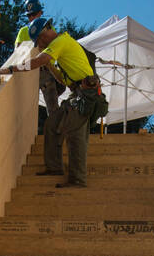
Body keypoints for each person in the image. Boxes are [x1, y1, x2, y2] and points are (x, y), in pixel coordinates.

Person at [18, 19, 101, 187]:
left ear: (46, 32)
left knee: (75, 136)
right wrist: (50, 65)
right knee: (52, 124)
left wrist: (13, 69)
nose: (40, 45)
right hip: (77, 94)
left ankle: (77, 180)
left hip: (86, 94)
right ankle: (54, 167)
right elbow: (63, 81)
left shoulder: (60, 41)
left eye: (40, 41)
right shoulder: (61, 46)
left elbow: (38, 61)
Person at [15, 0, 64, 119]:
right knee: (27, 107)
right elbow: (18, 52)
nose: (32, 18)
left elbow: (56, 47)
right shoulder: (24, 31)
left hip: (47, 70)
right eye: (29, 16)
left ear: (40, 13)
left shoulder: (49, 29)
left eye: (34, 15)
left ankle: (56, 128)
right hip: (31, 70)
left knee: (52, 106)